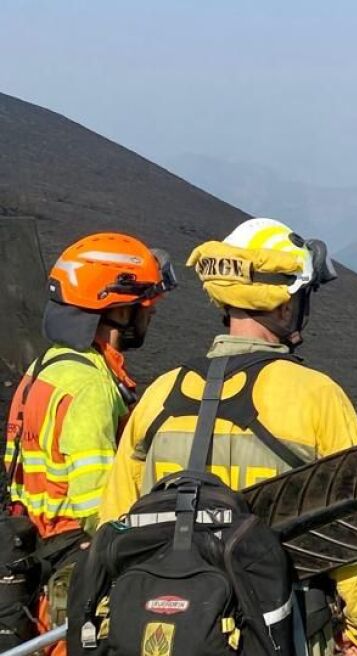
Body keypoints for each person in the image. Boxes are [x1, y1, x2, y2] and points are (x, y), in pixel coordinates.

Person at [98, 218, 357, 656]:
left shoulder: (160, 394)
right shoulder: (316, 396)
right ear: (284, 307)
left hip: (161, 631)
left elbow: (113, 523)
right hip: (279, 631)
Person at [3, 232, 175, 653]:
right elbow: (99, 509)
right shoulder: (91, 388)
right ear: (119, 309)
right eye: (146, 305)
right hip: (72, 568)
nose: (152, 313)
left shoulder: (45, 367)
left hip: (33, 558)